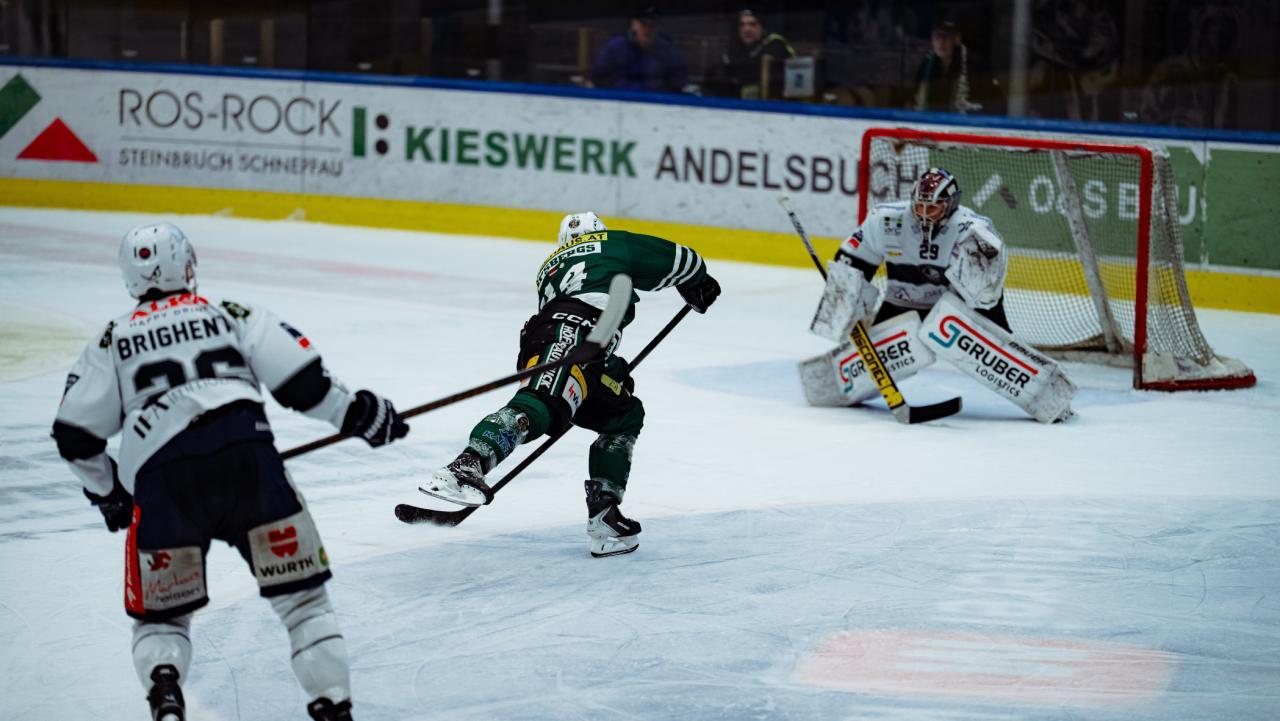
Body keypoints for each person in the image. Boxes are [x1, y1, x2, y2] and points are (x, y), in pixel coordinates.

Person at [52, 222, 409, 721]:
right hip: (250, 466)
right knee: (303, 605)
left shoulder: (111, 341)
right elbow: (305, 384)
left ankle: (166, 696)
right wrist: (363, 416)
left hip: (163, 484)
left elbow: (74, 436)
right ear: (187, 263)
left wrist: (110, 493)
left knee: (165, 620)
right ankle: (332, 708)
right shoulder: (230, 314)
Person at [421, 212, 720, 557]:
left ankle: (604, 515)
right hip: (570, 333)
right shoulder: (612, 243)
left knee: (623, 415)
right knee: (542, 404)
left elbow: (589, 322)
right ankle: (465, 466)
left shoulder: (550, 266)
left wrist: (612, 369)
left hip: (568, 341)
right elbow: (681, 258)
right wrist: (698, 280)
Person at [803, 167, 1077, 422]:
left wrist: (976, 325)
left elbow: (985, 294)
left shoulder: (973, 230)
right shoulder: (885, 220)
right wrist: (847, 302)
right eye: (919, 206)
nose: (923, 213)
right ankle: (832, 386)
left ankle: (1051, 397)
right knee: (872, 356)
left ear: (950, 204)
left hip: (958, 308)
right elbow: (852, 260)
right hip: (902, 304)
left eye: (932, 207)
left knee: (1002, 352)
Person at [587, 7, 688, 94]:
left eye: (653, 25)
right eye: (644, 24)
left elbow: (679, 87)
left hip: (656, 107)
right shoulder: (616, 47)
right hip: (617, 104)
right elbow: (593, 81)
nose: (648, 29)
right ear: (634, 24)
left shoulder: (668, 52)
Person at [706, 9, 795, 100]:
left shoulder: (776, 43)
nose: (746, 29)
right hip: (736, 103)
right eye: (742, 25)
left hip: (774, 104)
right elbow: (722, 68)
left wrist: (735, 72)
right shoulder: (734, 45)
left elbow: (756, 70)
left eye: (752, 24)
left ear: (761, 27)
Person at [912, 19, 987, 114]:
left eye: (946, 36)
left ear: (957, 39)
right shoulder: (926, 64)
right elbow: (913, 98)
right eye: (937, 35)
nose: (941, 41)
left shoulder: (973, 67)